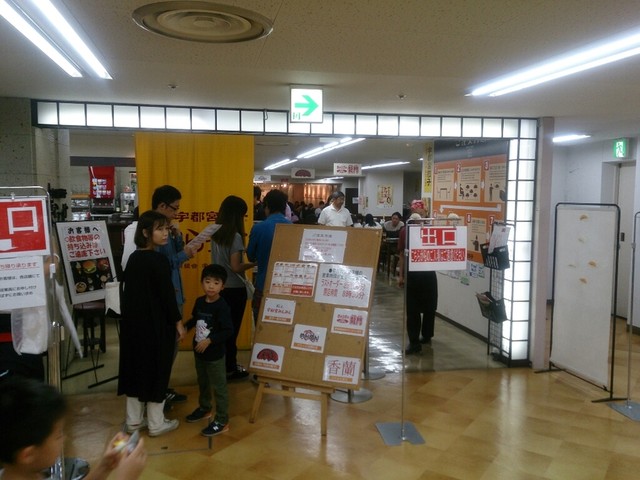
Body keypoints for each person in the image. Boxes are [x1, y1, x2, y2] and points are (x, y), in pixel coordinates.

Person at [0, 376, 146, 480]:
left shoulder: (30, 473)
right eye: (58, 435)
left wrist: (104, 467)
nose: (65, 438)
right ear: (28, 455)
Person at [118, 210, 185, 437]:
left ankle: (133, 421)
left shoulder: (134, 259)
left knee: (135, 369)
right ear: (146, 233)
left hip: (134, 326)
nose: (165, 233)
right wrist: (178, 322)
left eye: (166, 228)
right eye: (160, 229)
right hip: (156, 325)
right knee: (158, 368)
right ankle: (156, 423)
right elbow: (167, 296)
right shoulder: (159, 260)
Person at [183, 264, 233, 437]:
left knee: (219, 387)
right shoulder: (199, 302)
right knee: (203, 382)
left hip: (215, 355)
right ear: (202, 282)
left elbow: (228, 330)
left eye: (216, 283)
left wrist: (210, 340)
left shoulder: (222, 306)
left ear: (222, 286)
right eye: (208, 281)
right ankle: (205, 408)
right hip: (199, 352)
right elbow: (195, 319)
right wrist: (184, 328)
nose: (211, 286)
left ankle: (222, 420)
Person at [210, 195, 255, 380]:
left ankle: (220, 366)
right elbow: (236, 267)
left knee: (221, 330)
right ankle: (230, 368)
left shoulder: (215, 232)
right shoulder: (235, 236)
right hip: (234, 289)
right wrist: (254, 264)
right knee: (231, 330)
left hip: (219, 288)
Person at [397, 203, 438, 355]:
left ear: (426, 213)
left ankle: (427, 335)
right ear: (412, 214)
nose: (419, 216)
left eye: (422, 213)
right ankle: (414, 342)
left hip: (428, 273)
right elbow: (401, 255)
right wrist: (401, 275)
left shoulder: (431, 229)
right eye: (416, 213)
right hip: (412, 274)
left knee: (430, 308)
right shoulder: (405, 230)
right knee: (412, 310)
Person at [246, 190, 292, 322]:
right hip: (287, 286)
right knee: (283, 324)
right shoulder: (293, 228)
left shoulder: (259, 228)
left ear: (267, 207)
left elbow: (250, 256)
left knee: (261, 323)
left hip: (263, 284)